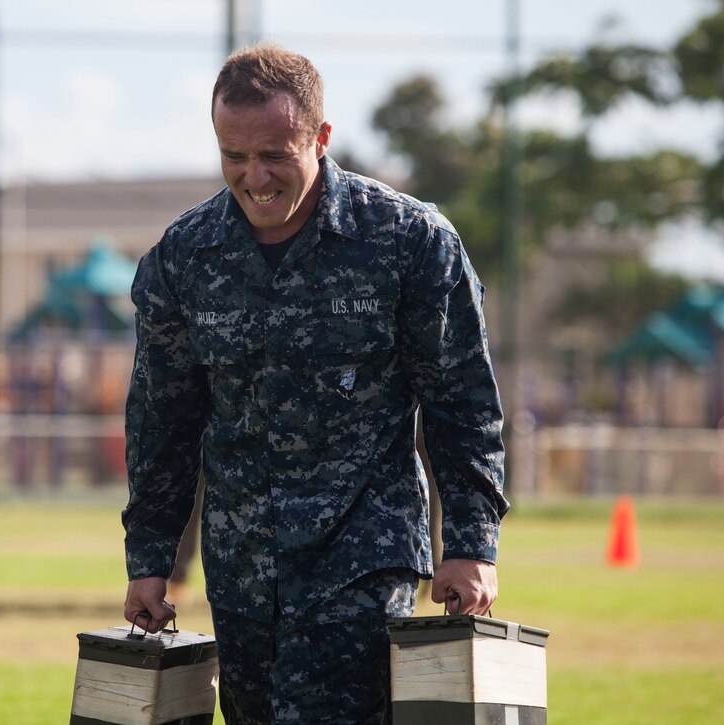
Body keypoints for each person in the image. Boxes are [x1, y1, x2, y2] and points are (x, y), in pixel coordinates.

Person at [121, 43, 509, 724]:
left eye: (274, 154)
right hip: (241, 575)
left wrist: (472, 544)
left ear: (321, 138)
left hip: (365, 560)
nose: (254, 176)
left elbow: (462, 402)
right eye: (233, 156)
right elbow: (163, 421)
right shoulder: (184, 257)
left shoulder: (408, 240)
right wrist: (150, 557)